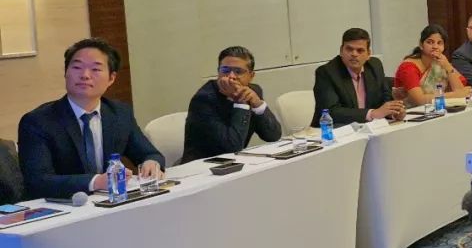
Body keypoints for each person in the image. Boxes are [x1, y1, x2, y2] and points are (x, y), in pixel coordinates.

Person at [18, 38, 165, 199]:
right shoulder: (38, 122)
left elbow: (150, 153)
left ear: (111, 78)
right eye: (77, 67)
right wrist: (95, 182)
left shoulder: (119, 113)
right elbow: (38, 181)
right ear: (66, 73)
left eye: (95, 69)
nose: (85, 75)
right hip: (64, 205)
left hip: (109, 202)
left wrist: (151, 163)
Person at [180, 46, 282, 163]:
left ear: (251, 76)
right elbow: (232, 146)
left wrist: (258, 105)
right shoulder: (204, 99)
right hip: (203, 167)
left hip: (235, 164)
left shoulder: (253, 92)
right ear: (218, 72)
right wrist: (241, 102)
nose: (231, 76)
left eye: (238, 71)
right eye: (225, 70)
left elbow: (273, 136)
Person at [312, 28, 405, 126]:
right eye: (349, 49)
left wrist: (393, 112)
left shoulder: (375, 66)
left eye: (360, 50)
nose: (354, 54)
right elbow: (331, 111)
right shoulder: (327, 72)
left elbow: (384, 98)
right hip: (334, 130)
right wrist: (371, 114)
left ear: (368, 54)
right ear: (341, 51)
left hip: (369, 128)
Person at [394, 24, 472, 106]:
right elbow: (419, 100)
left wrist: (448, 67)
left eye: (439, 43)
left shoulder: (442, 63)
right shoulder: (408, 67)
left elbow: (461, 91)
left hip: (438, 109)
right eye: (430, 42)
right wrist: (454, 95)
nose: (435, 46)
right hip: (411, 111)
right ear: (421, 45)